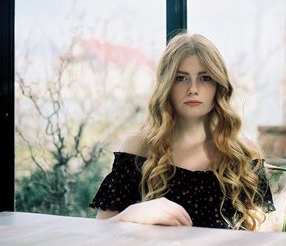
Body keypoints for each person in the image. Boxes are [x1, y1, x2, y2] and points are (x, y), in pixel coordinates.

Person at [89, 33, 275, 231]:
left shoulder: (245, 155)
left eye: (205, 78)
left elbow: (266, 238)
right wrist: (133, 214)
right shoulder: (138, 147)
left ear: (218, 86)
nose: (193, 89)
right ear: (167, 85)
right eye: (181, 78)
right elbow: (101, 231)